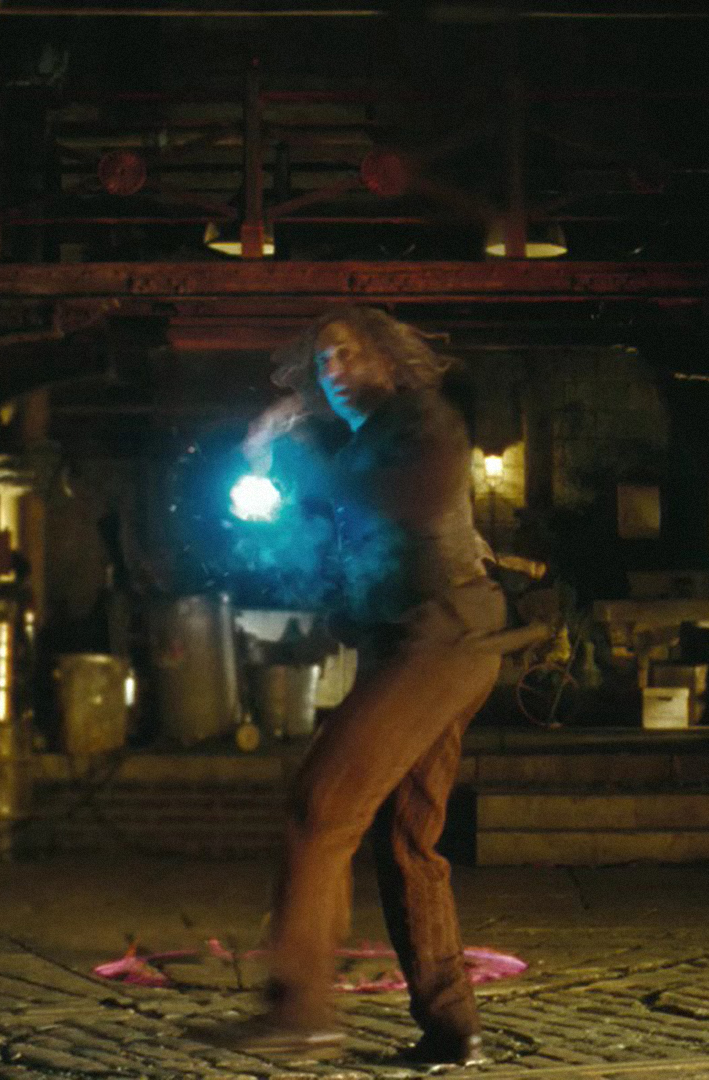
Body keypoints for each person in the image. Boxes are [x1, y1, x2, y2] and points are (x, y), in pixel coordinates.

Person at [213, 306, 506, 1066]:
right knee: (407, 840)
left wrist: (302, 462)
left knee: (320, 807)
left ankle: (300, 1013)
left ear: (388, 360)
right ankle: (453, 1028)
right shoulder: (363, 443)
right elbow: (354, 549)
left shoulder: (421, 417)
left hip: (442, 639)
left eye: (348, 354)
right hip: (420, 644)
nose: (334, 370)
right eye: (323, 361)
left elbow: (411, 498)